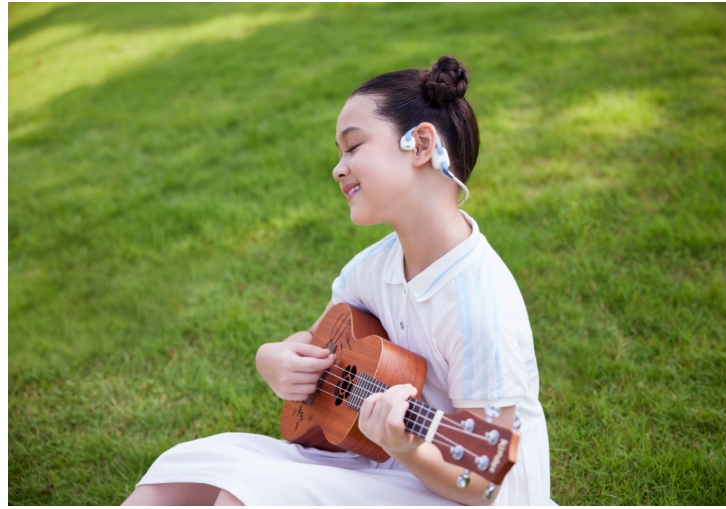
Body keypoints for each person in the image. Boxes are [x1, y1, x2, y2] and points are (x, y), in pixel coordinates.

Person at [123, 55, 551, 506]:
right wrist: (274, 358)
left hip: (459, 490)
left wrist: (406, 446)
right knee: (187, 468)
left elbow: (482, 484)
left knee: (252, 496)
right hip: (384, 461)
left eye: (353, 146)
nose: (338, 167)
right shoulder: (373, 267)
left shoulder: (479, 308)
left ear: (421, 145)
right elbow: (320, 344)